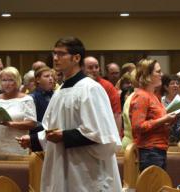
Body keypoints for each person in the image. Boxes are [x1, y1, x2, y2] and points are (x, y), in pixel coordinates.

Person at [17, 37, 122, 192]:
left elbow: (101, 134)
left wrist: (64, 136)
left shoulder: (90, 89)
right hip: (62, 165)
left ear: (76, 58)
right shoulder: (60, 91)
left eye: (61, 54)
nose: (55, 58)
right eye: (54, 53)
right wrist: (33, 140)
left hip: (85, 171)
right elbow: (52, 128)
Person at [129, 58, 176, 171]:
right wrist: (164, 119)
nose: (162, 74)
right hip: (149, 151)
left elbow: (156, 124)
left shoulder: (153, 96)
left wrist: (170, 121)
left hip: (158, 149)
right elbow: (137, 127)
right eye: (158, 72)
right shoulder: (141, 96)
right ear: (147, 75)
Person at [0, 66, 36, 155]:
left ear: (17, 81)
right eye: (4, 80)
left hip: (17, 145)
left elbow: (32, 123)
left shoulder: (27, 99)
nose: (7, 83)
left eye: (11, 80)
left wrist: (10, 123)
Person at [83, 56, 122, 136]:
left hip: (106, 132)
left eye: (96, 67)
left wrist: (117, 137)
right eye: (90, 68)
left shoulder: (108, 86)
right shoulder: (79, 85)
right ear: (82, 69)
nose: (94, 70)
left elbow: (117, 114)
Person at [30, 66, 54, 133]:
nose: (51, 78)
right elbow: (31, 122)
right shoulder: (32, 98)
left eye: (51, 76)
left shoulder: (57, 95)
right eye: (47, 76)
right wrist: (49, 127)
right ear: (38, 80)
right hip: (38, 136)